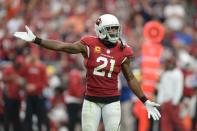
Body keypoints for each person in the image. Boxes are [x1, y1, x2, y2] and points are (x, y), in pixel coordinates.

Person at [14, 14, 161, 131]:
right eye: (110, 29)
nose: (114, 32)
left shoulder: (123, 50)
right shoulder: (89, 44)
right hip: (92, 100)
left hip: (112, 101)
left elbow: (130, 78)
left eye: (115, 28)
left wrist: (145, 100)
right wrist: (36, 40)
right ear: (100, 30)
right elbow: (63, 47)